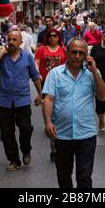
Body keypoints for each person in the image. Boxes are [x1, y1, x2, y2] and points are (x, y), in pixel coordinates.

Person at [42, 38, 105, 188]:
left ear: (86, 55)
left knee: (84, 178)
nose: (77, 56)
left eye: (81, 53)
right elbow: (48, 99)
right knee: (64, 176)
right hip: (62, 134)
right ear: (67, 52)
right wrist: (48, 122)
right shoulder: (55, 74)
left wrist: (95, 73)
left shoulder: (92, 73)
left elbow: (103, 96)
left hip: (86, 134)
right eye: (74, 52)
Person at [0, 30, 42, 171]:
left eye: (14, 40)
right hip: (4, 100)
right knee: (6, 132)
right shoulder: (2, 56)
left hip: (22, 99)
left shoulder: (27, 57)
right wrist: (2, 52)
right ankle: (13, 160)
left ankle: (26, 149)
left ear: (21, 42)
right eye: (9, 39)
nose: (11, 42)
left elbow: (35, 76)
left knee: (25, 128)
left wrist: (40, 94)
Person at [35, 28, 67, 162]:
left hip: (61, 84)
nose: (52, 38)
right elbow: (36, 63)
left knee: (59, 111)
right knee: (50, 110)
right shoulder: (41, 49)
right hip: (46, 84)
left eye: (55, 36)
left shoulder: (64, 50)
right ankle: (53, 146)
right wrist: (37, 74)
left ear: (59, 38)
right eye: (50, 36)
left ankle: (57, 136)